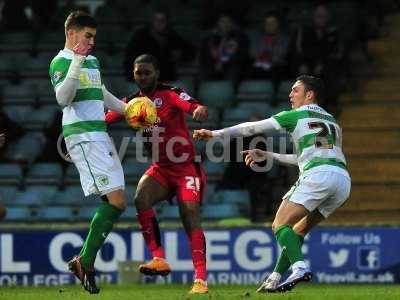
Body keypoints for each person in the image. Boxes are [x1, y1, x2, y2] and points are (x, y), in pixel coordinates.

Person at [193, 75, 351, 292]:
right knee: (298, 231)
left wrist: (216, 134)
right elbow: (307, 157)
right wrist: (268, 154)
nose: (290, 94)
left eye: (296, 90)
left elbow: (252, 128)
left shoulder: (295, 116)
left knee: (279, 225)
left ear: (309, 95)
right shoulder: (332, 121)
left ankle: (300, 267)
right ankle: (275, 277)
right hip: (341, 180)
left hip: (318, 175)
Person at [106, 54, 209, 294]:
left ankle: (200, 280)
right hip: (161, 168)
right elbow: (107, 118)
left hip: (186, 167)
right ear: (133, 75)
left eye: (147, 72)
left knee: (189, 213)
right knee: (141, 198)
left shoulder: (170, 93)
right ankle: (159, 259)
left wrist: (199, 110)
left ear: (156, 73)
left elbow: (192, 105)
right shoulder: (131, 104)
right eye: (138, 73)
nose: (142, 77)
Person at [48, 11, 128, 294]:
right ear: (72, 33)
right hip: (82, 135)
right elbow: (63, 98)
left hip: (99, 134)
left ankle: (84, 261)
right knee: (116, 200)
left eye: (94, 37)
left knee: (119, 201)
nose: (92, 42)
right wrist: (77, 60)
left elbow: (101, 93)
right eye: (88, 36)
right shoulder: (61, 61)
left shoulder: (93, 61)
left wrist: (128, 109)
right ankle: (86, 262)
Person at [123, 9, 195, 82]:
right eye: (156, 20)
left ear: (167, 22)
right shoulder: (140, 36)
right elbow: (130, 58)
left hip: (166, 79)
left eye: (162, 20)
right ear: (152, 21)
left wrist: (181, 55)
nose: (159, 23)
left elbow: (189, 51)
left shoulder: (172, 36)